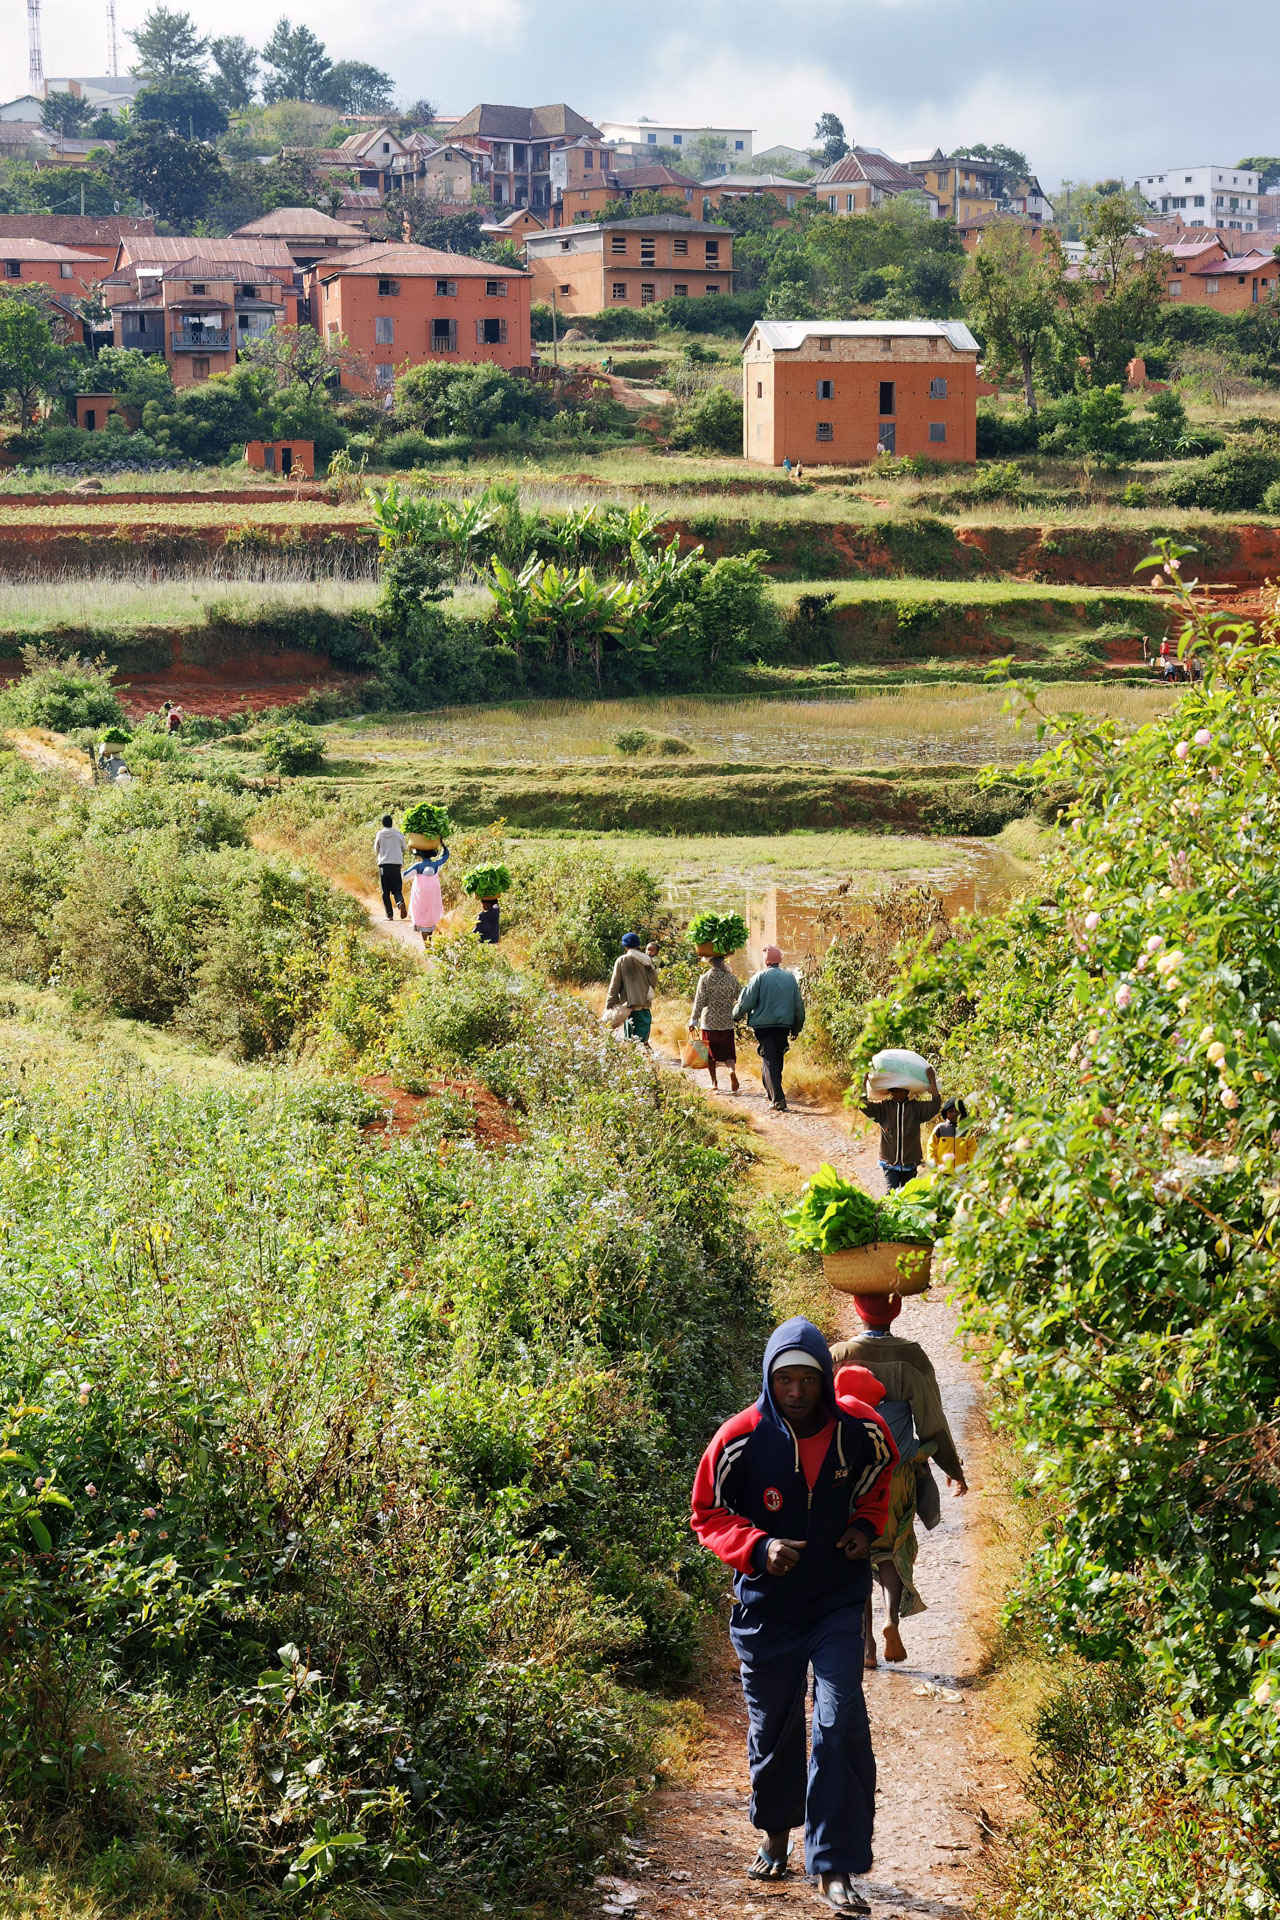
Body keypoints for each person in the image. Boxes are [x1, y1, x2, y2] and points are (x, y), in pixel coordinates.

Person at [691, 1317, 896, 1911]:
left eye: (809, 1380)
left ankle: (834, 1867)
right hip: (767, 1610)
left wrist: (863, 1527)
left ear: (826, 1380)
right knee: (775, 1727)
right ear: (769, 1381)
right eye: (786, 1381)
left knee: (838, 1722)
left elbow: (879, 1480)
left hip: (835, 1601)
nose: (799, 1393)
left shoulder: (862, 1429)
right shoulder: (739, 1440)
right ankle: (777, 1836)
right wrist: (757, 1548)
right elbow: (708, 1513)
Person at [830, 1295, 967, 1669]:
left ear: (857, 1310)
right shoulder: (912, 1356)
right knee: (892, 1548)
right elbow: (931, 1416)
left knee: (856, 1552)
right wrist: (951, 1466)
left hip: (848, 1473)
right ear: (897, 1311)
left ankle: (868, 1645)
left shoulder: (838, 1354)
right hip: (896, 1472)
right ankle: (892, 1617)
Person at [733, 947, 805, 1113]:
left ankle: (777, 1098)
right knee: (776, 1059)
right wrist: (797, 1026)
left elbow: (747, 1001)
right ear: (779, 960)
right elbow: (798, 1006)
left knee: (769, 1060)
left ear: (766, 961)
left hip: (764, 1026)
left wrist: (736, 1015)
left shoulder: (759, 977)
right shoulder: (790, 978)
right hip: (784, 1026)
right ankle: (774, 1094)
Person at [859, 1064, 941, 1190]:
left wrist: (932, 1081)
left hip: (911, 1162)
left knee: (907, 1195)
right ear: (890, 1092)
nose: (899, 1094)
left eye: (902, 1091)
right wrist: (864, 1079)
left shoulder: (916, 1109)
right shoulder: (884, 1108)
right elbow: (863, 1104)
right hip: (889, 1162)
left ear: (908, 1092)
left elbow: (935, 1105)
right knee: (891, 1193)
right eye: (896, 1091)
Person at [689, 951, 740, 1093]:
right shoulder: (731, 978)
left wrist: (693, 1019)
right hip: (727, 1021)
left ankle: (714, 1082)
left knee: (710, 1055)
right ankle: (731, 1071)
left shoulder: (705, 978)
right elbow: (740, 997)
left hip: (709, 1022)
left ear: (710, 962)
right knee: (729, 1054)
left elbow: (699, 1001)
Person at [605, 932, 657, 1049]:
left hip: (629, 1009)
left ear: (625, 946)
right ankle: (650, 1064)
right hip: (644, 1009)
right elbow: (653, 981)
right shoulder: (647, 961)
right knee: (643, 1043)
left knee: (631, 1045)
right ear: (638, 945)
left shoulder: (622, 960)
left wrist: (609, 1005)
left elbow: (614, 986)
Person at [403, 841, 450, 944]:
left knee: (422, 916)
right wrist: (442, 844)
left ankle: (427, 945)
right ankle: (429, 941)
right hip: (433, 895)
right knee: (430, 915)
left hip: (421, 896)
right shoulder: (436, 865)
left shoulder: (417, 866)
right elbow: (446, 856)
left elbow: (405, 875)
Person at [926, 1096, 976, 1172]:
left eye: (957, 1111)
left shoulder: (966, 1130)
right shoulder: (940, 1129)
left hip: (961, 1174)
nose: (954, 1114)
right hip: (942, 1173)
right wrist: (934, 1166)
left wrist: (972, 1168)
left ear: (962, 1114)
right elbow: (931, 1148)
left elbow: (972, 1151)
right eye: (951, 1111)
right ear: (946, 1113)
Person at [373, 813, 408, 922]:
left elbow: (376, 849)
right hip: (396, 865)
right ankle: (399, 903)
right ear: (392, 823)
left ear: (383, 824)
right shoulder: (398, 834)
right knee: (397, 889)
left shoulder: (379, 834)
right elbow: (405, 848)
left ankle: (389, 915)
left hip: (384, 865)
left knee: (385, 892)